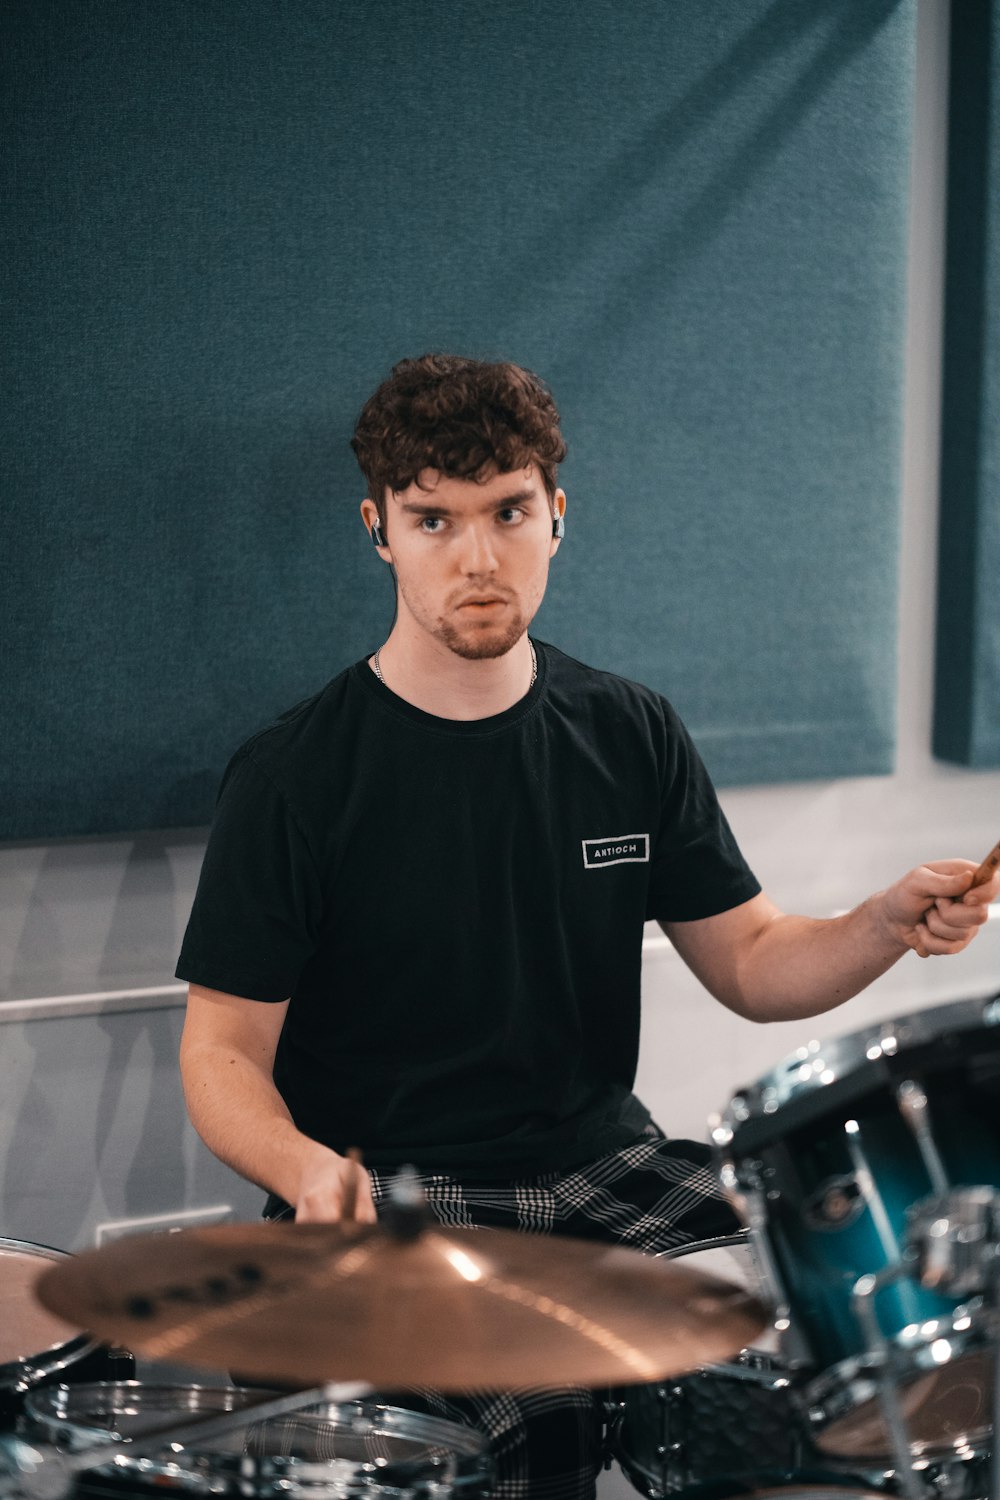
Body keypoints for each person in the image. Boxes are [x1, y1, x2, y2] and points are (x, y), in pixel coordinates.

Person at [176, 353, 997, 1500]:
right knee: (534, 1417)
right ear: (379, 529)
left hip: (607, 1164)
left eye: (507, 513)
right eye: (434, 520)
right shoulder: (294, 777)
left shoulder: (628, 730)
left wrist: (879, 923)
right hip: (409, 1188)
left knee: (841, 1338)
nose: (476, 558)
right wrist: (306, 1171)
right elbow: (219, 1055)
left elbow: (753, 963)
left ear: (555, 515)